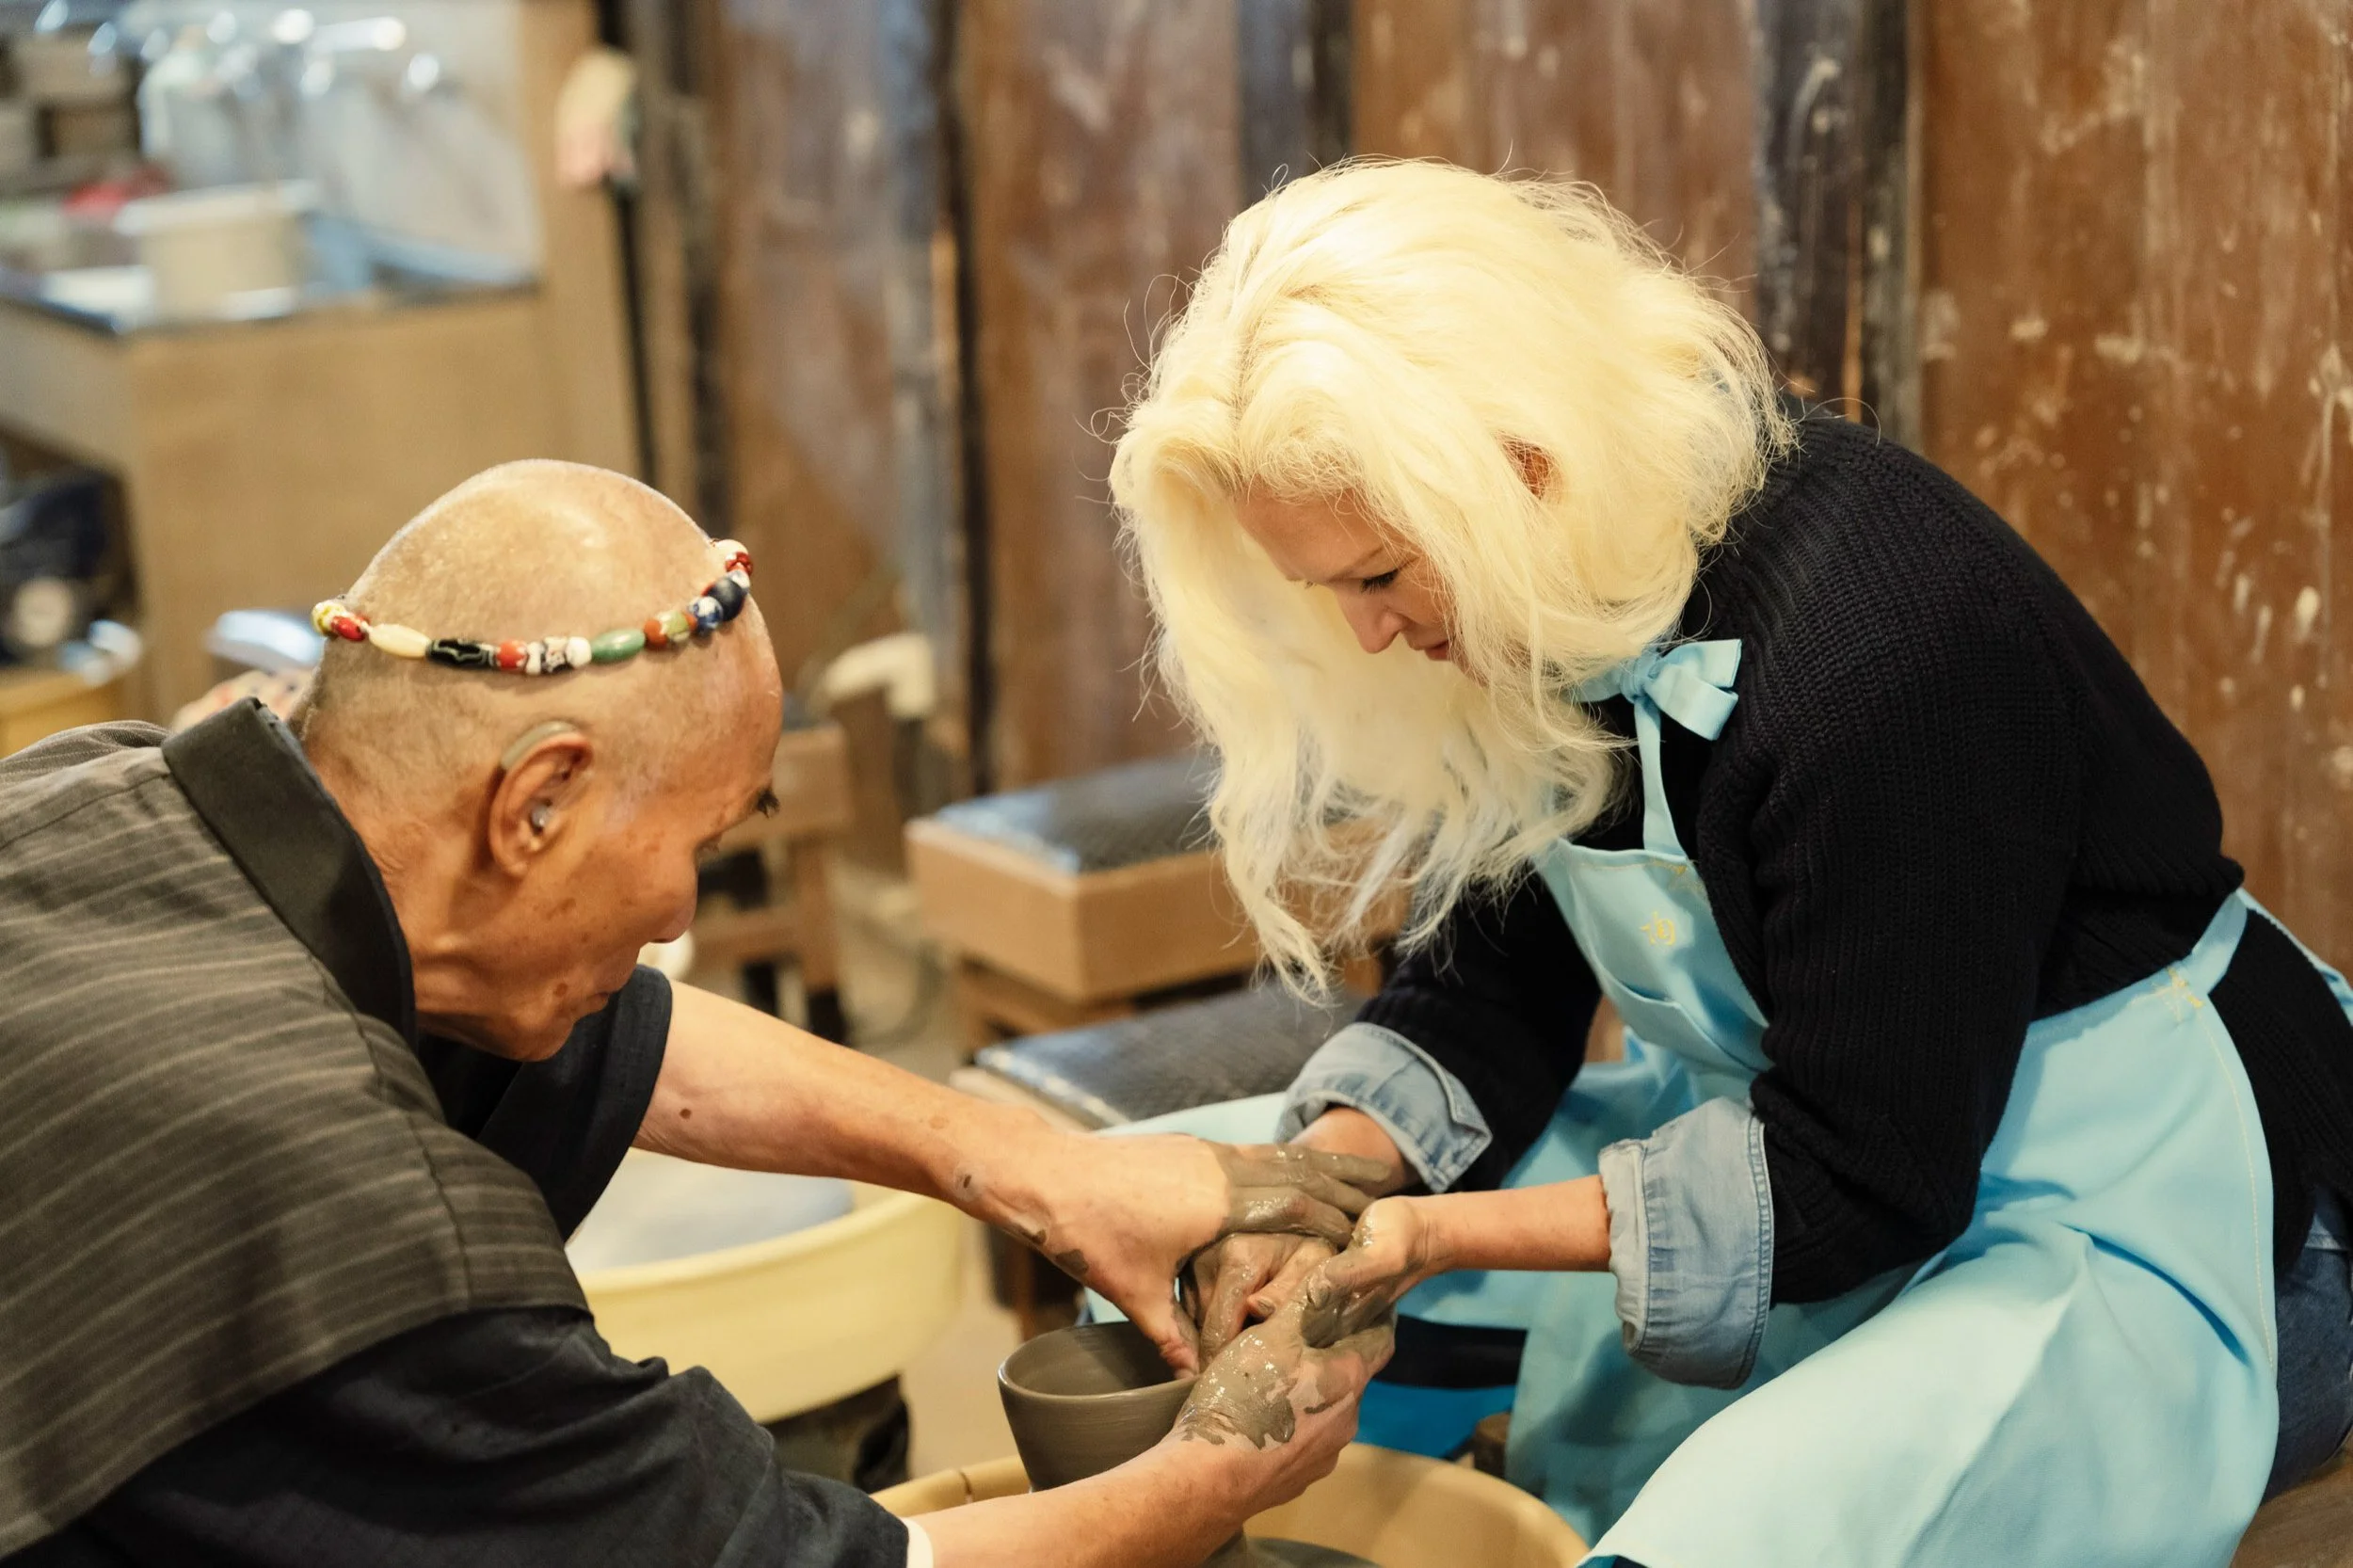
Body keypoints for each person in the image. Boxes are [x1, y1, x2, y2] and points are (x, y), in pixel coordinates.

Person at [1101, 160, 2353, 1567]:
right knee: (1161, 1258)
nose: (1371, 634)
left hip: (2161, 1218)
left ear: (1524, 469)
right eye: (1330, 594)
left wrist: (1434, 1242)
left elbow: (1867, 1177)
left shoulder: (1883, 650)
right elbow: (1492, 986)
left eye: (1381, 577)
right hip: (1812, 1133)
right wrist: (1325, 1186)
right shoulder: (1546, 575)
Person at [0, 462, 1393, 1568]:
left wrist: (1045, 1169)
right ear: (535, 800)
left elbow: (625, 1038)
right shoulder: (371, 1229)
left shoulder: (100, 796)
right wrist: (1216, 1477)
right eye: (705, 842)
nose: (679, 916)